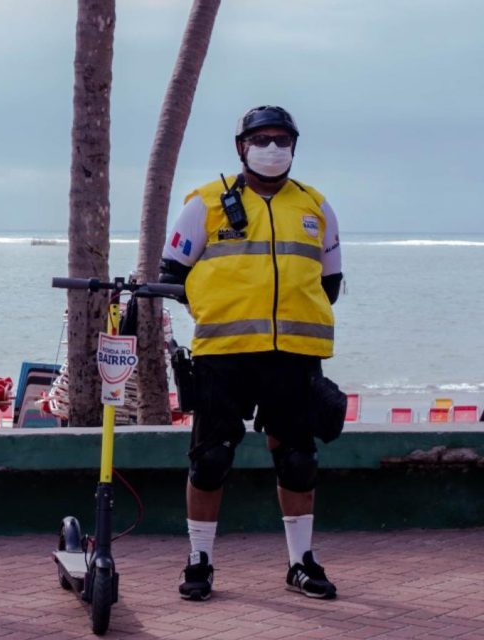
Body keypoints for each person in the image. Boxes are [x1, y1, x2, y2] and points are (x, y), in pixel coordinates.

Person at [159, 105, 343, 601]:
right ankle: (199, 561)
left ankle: (301, 562)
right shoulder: (205, 203)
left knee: (299, 459)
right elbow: (171, 274)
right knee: (211, 458)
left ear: (294, 147)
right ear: (241, 147)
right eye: (261, 139)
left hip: (294, 354)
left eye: (282, 139)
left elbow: (330, 283)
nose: (272, 148)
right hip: (224, 353)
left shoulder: (315, 207)